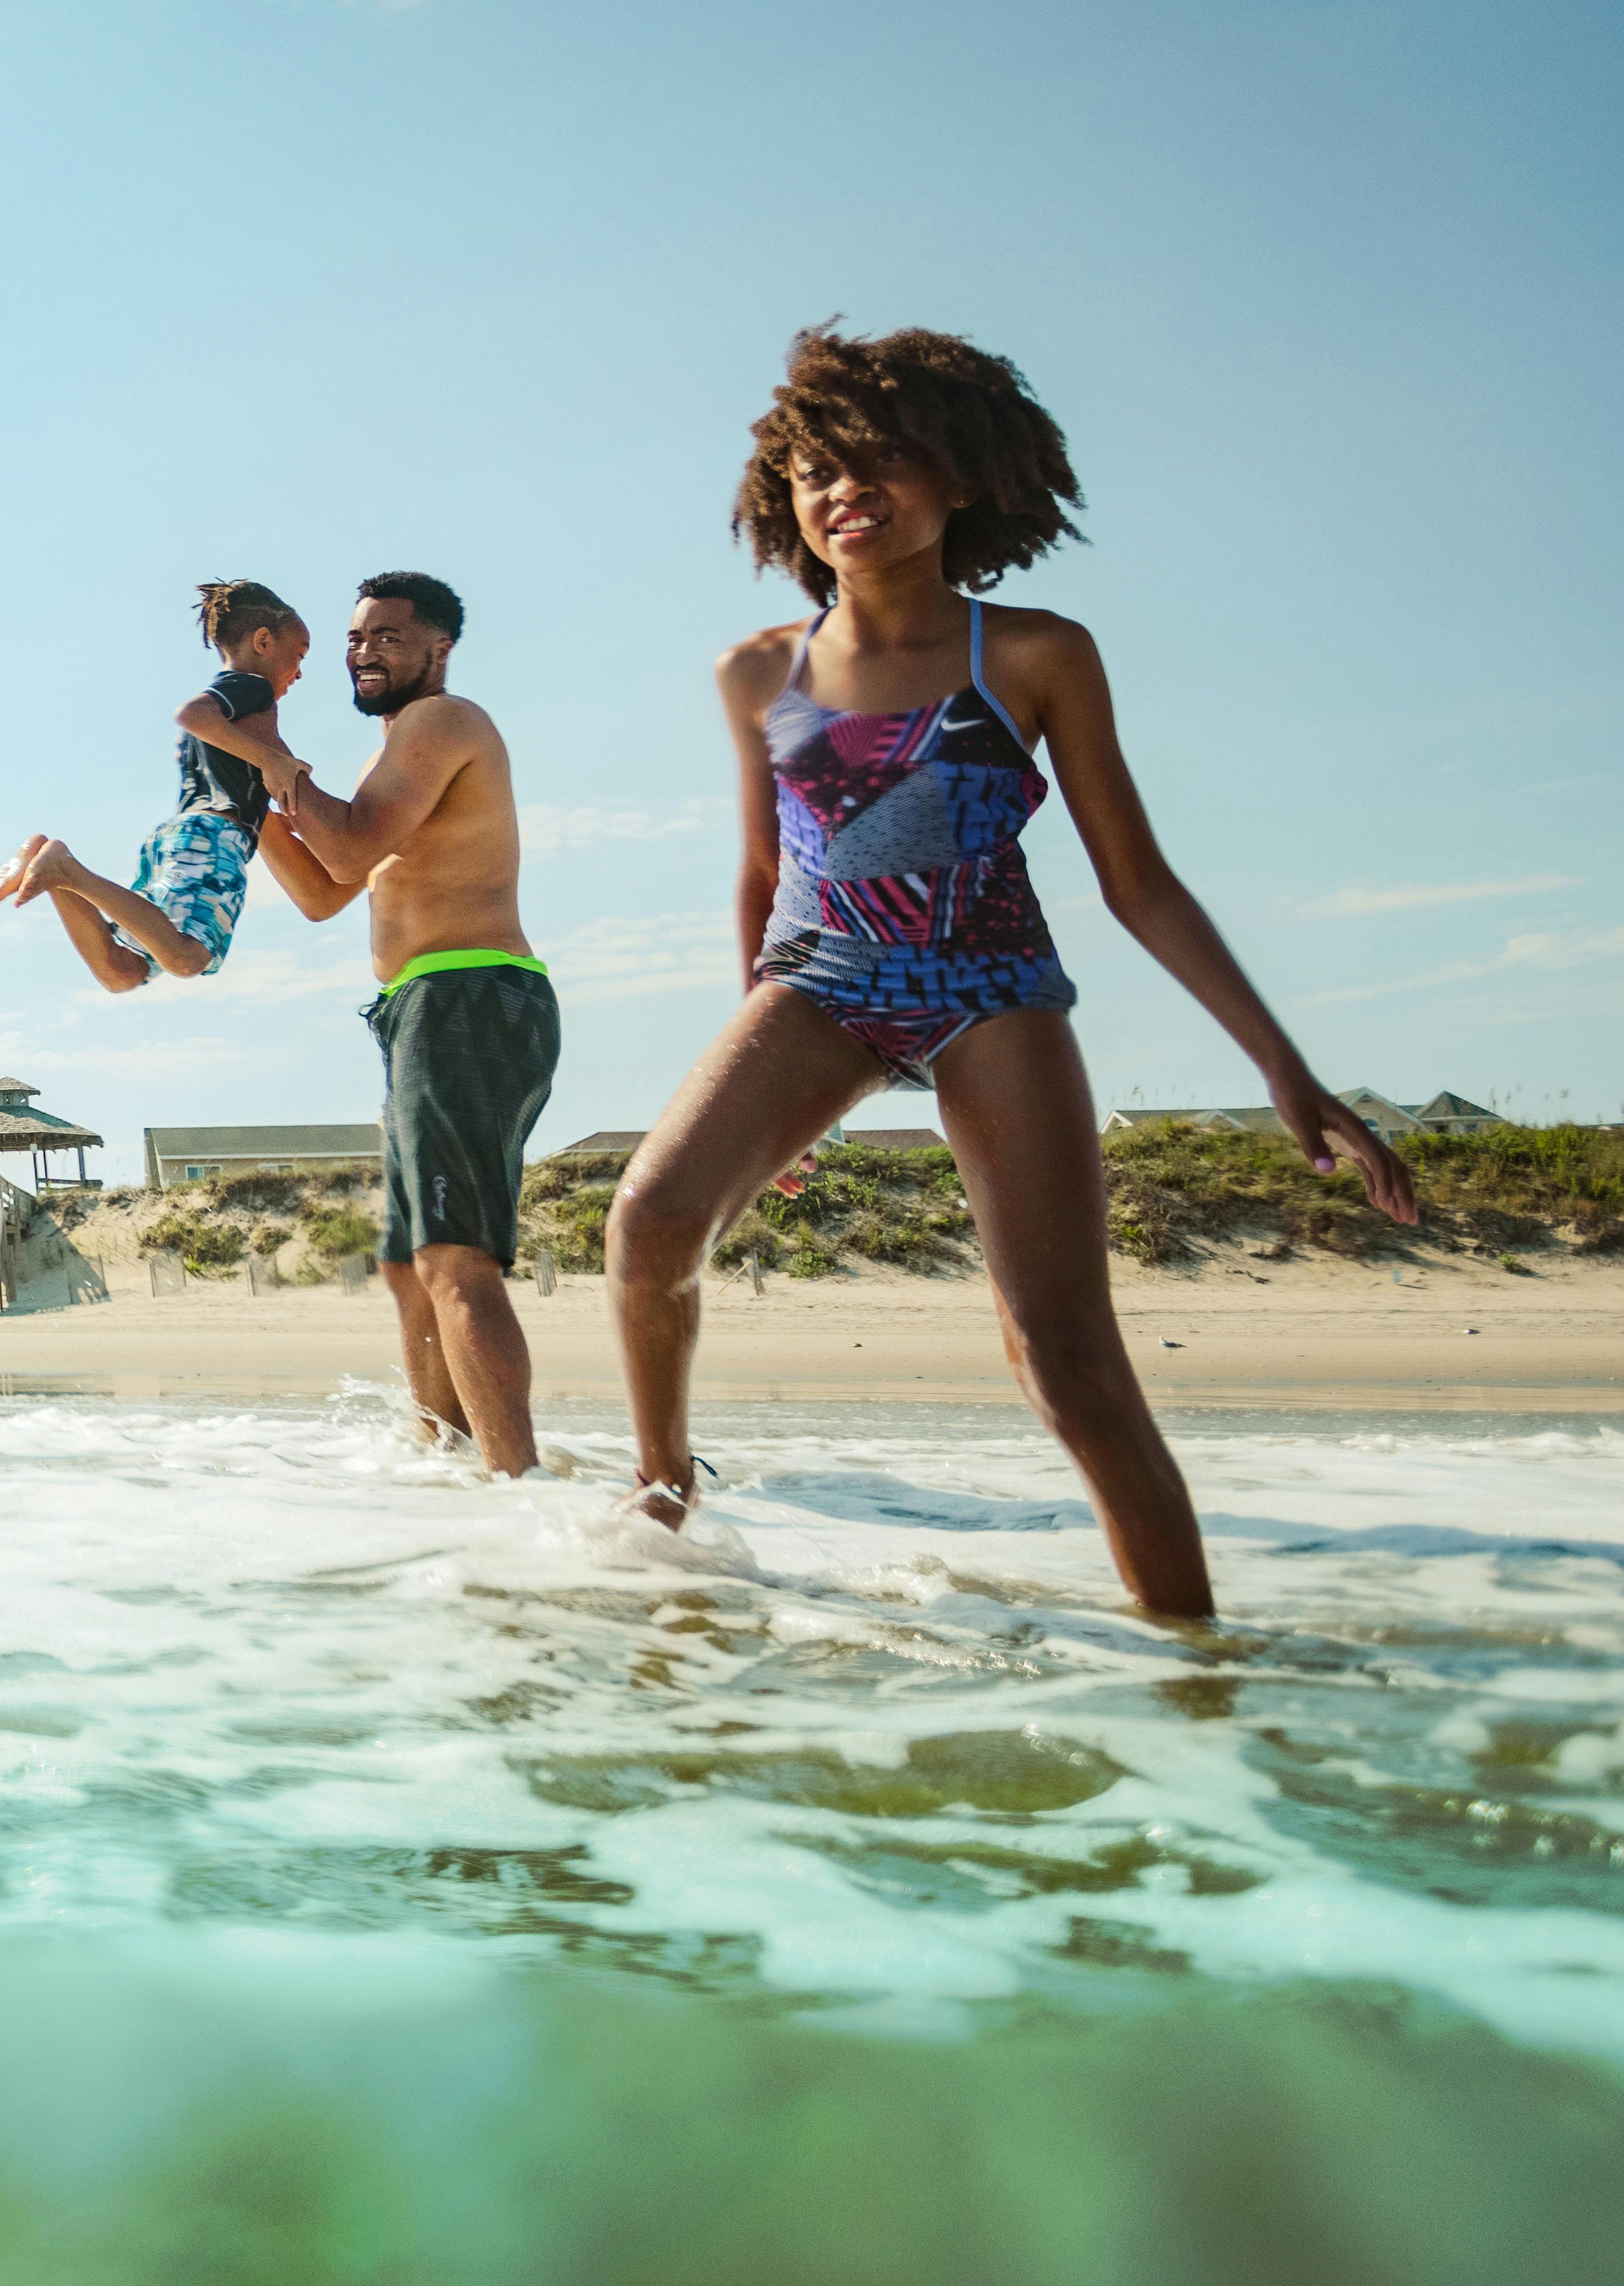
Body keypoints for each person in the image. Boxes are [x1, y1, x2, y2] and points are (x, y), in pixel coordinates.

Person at [603, 326, 1415, 1616]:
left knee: (1066, 1360)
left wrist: (1285, 1068)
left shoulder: (1033, 652)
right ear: (784, 499)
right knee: (649, 1222)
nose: (844, 490)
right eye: (816, 469)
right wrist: (755, 1061)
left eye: (881, 463)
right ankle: (662, 1494)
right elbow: (763, 872)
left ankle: (1196, 1656)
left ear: (964, 480)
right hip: (817, 986)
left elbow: (1136, 879)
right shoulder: (758, 669)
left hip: (992, 992)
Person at [250, 572, 550, 1476]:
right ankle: (445, 1460)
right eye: (354, 638)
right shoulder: (389, 762)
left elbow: (341, 842)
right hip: (419, 1008)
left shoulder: (442, 723)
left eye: (386, 636)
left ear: (439, 647)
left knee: (456, 1260)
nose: (362, 651)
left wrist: (269, 758)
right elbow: (324, 890)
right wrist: (250, 807)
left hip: (469, 996)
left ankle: (515, 1486)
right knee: (407, 1264)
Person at [0, 581, 315, 986]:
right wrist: (273, 762)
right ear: (263, 641)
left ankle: (53, 866)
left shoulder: (235, 716)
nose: (299, 672)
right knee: (186, 958)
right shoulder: (252, 687)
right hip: (215, 838)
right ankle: (66, 870)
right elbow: (192, 714)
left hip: (182, 837)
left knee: (121, 972)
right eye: (299, 655)